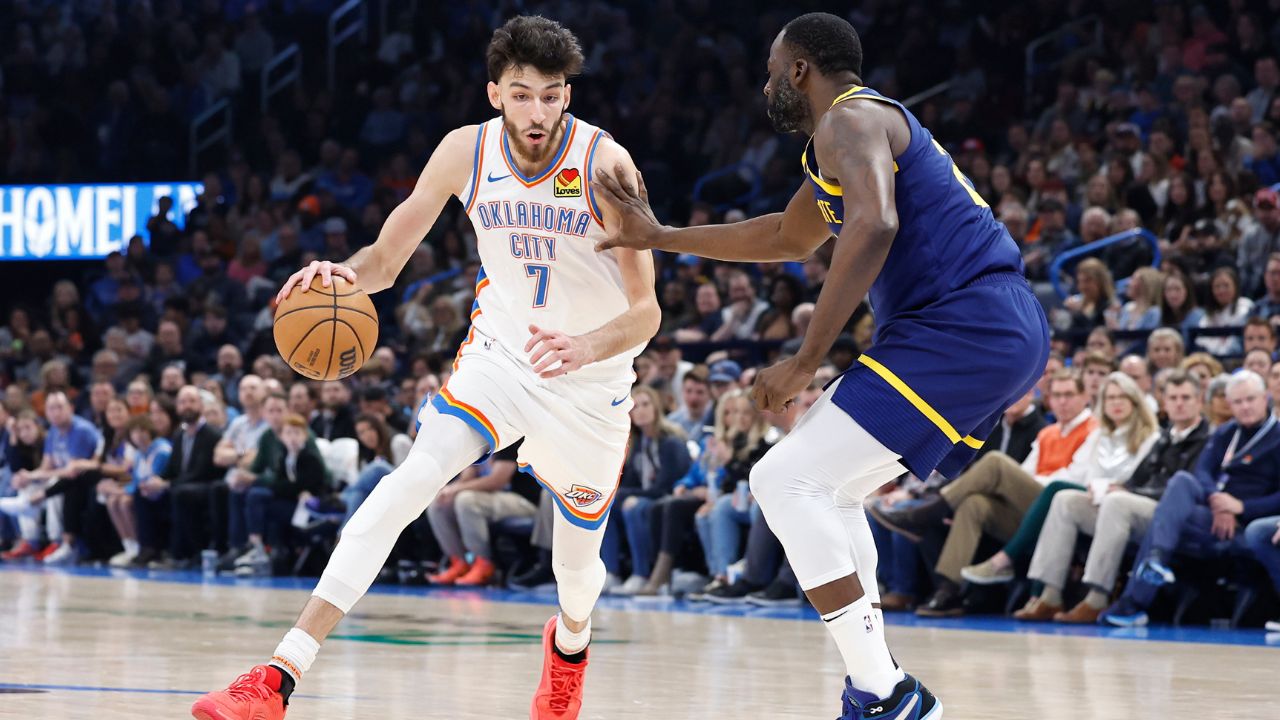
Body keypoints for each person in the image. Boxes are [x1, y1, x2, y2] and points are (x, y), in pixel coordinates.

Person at [195, 17, 660, 720]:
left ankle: (569, 648)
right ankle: (278, 676)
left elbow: (647, 310)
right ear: (495, 92)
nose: (539, 112)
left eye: (553, 96)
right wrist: (339, 276)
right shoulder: (463, 153)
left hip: (590, 383)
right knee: (409, 479)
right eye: (523, 95)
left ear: (568, 95)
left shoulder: (607, 165)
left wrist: (587, 346)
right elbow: (383, 262)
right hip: (500, 358)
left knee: (576, 576)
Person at [595, 12, 1048, 717]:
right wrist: (660, 235)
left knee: (782, 477)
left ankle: (885, 694)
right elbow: (783, 236)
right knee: (829, 493)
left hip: (966, 323)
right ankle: (881, 683)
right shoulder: (837, 143)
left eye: (774, 70)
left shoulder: (850, 119)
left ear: (800, 69)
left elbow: (876, 222)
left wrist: (807, 359)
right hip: (981, 327)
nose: (768, 83)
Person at [1017, 371, 1208, 623]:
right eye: (1173, 397)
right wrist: (1118, 487)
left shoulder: (1205, 439)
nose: (1179, 403)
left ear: (1199, 400)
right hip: (1131, 506)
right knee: (1065, 499)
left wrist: (1123, 490)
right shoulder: (1165, 437)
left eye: (1185, 397)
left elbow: (1184, 490)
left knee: (1116, 501)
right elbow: (1138, 479)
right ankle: (1049, 593)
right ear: (1165, 403)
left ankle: (1097, 596)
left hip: (1167, 515)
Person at [1102, 371, 1280, 626]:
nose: (1245, 407)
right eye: (1238, 402)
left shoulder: (1276, 436)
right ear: (1230, 405)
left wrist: (1241, 507)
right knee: (1182, 481)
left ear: (1266, 398)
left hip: (1249, 522)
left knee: (1164, 519)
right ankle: (1156, 560)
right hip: (1214, 514)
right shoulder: (1226, 433)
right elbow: (1203, 473)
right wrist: (1218, 500)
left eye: (1251, 399)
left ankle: (1134, 603)